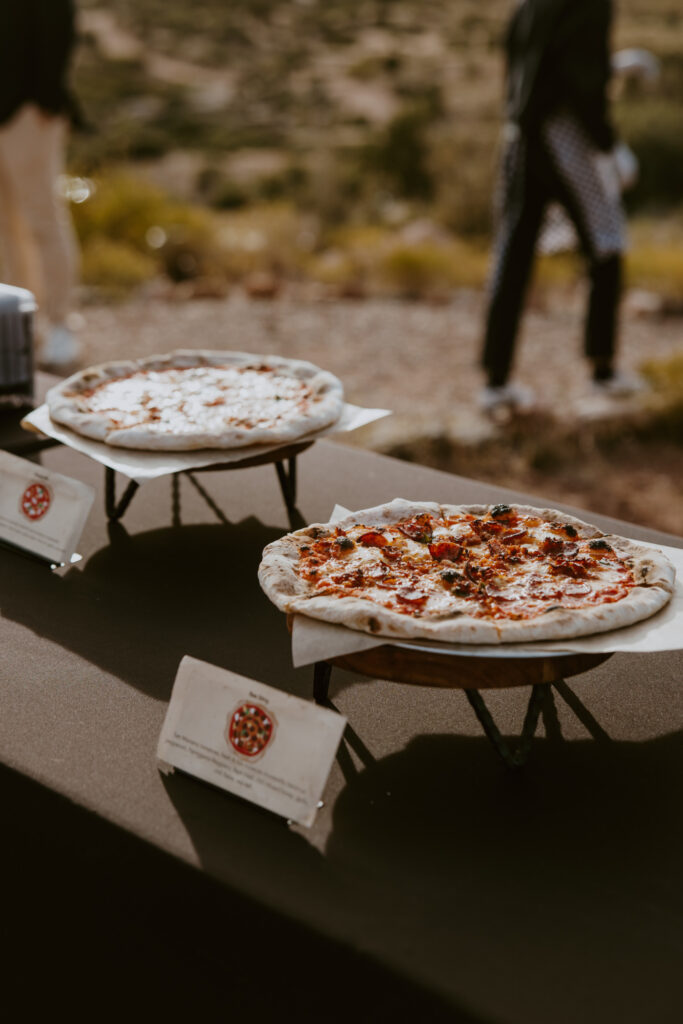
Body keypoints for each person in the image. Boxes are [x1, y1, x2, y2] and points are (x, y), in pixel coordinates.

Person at [480, 0, 643, 413]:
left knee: (512, 253)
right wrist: (610, 145)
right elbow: (579, 78)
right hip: (565, 136)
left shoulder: (527, 6)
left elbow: (533, 69)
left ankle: (495, 381)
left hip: (519, 138)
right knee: (607, 240)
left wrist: (615, 67)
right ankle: (603, 371)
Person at [0, 0, 82, 370]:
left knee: (43, 220)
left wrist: (45, 98)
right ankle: (21, 327)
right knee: (4, 229)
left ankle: (61, 324)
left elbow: (59, 19)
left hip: (27, 112)